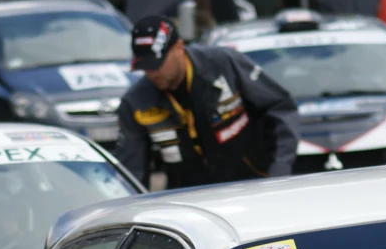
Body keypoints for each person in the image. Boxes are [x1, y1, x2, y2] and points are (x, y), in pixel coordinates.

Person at [116, 15, 299, 189]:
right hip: (189, 200)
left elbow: (281, 106)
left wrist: (279, 172)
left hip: (250, 187)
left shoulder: (224, 63)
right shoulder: (136, 102)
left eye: (157, 64)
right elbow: (133, 172)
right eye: (144, 66)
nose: (151, 72)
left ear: (179, 48)